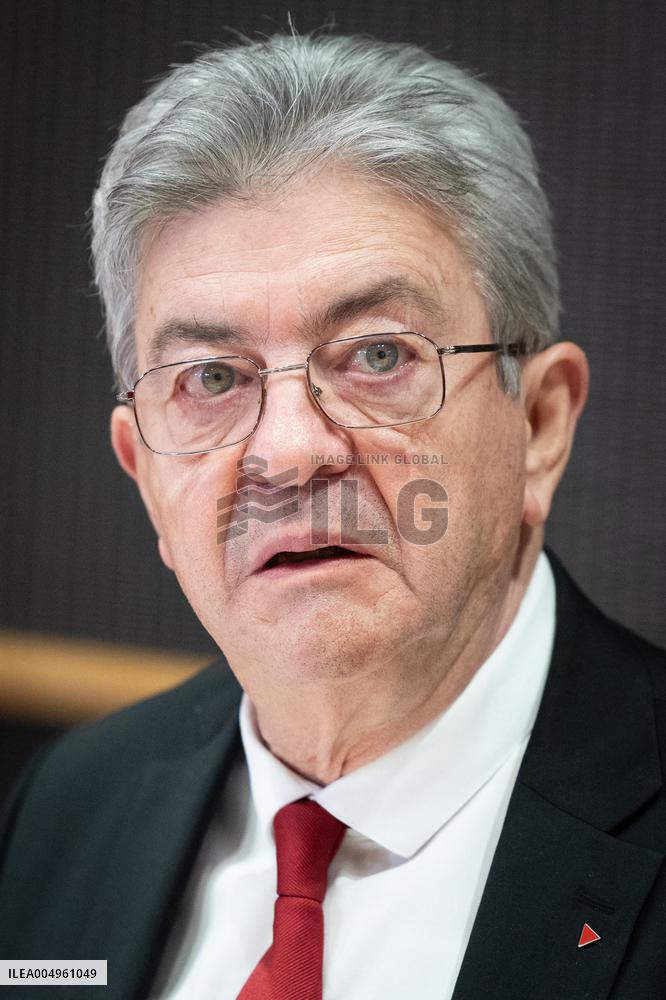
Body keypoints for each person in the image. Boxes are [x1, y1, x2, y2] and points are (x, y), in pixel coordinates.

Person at [1, 31, 665, 1000]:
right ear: (144, 474)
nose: (288, 452)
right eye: (212, 378)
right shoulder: (64, 810)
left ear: (540, 422)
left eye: (379, 356)